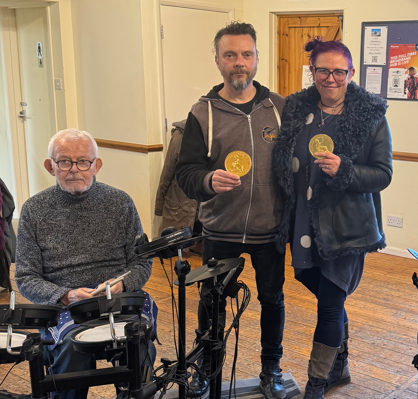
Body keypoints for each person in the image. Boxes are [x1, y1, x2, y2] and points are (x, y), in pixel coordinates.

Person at [273, 37, 393, 399]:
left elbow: (383, 174)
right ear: (312, 72)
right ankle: (339, 363)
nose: (330, 78)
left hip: (345, 229)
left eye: (338, 71)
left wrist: (345, 170)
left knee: (329, 305)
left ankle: (316, 383)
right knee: (324, 294)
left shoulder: (370, 116)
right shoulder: (296, 109)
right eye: (322, 70)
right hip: (304, 224)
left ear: (351, 73)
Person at [175, 22, 287, 399]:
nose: (239, 63)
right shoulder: (202, 112)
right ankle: (206, 370)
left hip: (269, 230)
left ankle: (271, 368)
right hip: (219, 230)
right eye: (230, 55)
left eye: (246, 54)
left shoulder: (279, 108)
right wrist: (208, 181)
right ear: (218, 60)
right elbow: (186, 172)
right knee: (212, 303)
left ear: (257, 58)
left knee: (273, 301)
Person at [15, 129, 157, 399]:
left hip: (118, 296)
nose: (74, 170)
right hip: (66, 304)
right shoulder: (34, 210)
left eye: (83, 162)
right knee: (73, 346)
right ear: (50, 166)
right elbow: (26, 277)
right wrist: (65, 295)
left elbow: (141, 262)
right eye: (64, 162)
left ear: (96, 165)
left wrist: (121, 284)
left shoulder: (120, 202)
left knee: (138, 339)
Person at [155, 120, 198, 233]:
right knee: (176, 247)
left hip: (208, 211)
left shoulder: (220, 135)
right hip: (181, 208)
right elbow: (167, 172)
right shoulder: (181, 135)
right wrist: (159, 206)